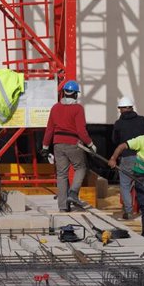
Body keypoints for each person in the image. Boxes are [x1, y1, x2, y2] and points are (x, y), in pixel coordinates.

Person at [41, 80, 96, 212]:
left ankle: (63, 206)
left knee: (61, 175)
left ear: (63, 93)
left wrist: (44, 146)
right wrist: (90, 144)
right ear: (76, 94)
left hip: (58, 144)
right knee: (81, 167)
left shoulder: (55, 108)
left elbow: (49, 129)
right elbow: (81, 130)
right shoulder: (78, 109)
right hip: (73, 144)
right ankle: (73, 193)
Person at [111, 96, 144, 219]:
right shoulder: (143, 120)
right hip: (142, 158)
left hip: (127, 157)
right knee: (142, 183)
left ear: (120, 109)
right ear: (132, 107)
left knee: (125, 184)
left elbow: (115, 140)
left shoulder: (119, 124)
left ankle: (129, 211)